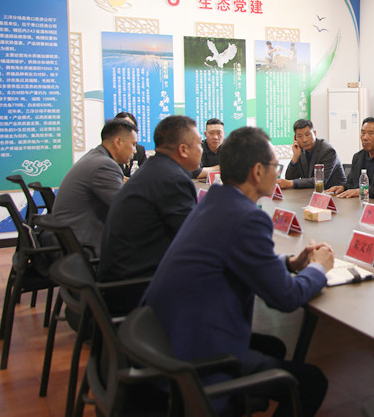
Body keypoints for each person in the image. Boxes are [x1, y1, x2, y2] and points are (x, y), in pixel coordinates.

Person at [141, 126, 334, 416]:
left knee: (272, 347)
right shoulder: (247, 218)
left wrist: (290, 263)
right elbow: (285, 298)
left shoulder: (214, 202)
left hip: (165, 338)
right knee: (311, 382)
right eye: (275, 166)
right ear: (257, 171)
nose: (277, 172)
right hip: (194, 356)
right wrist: (319, 267)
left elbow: (235, 258)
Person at [98, 115, 202, 315]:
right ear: (183, 150)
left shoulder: (155, 169)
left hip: (120, 280)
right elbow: (194, 240)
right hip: (136, 290)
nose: (201, 149)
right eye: (199, 144)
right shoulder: (172, 179)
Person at [51, 119, 137, 255]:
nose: (135, 151)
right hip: (84, 244)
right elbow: (126, 209)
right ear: (118, 142)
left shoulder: (95, 157)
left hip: (69, 238)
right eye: (133, 144)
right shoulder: (104, 165)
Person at [278, 118, 346, 190]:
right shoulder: (300, 150)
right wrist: (295, 157)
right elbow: (289, 178)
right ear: (295, 138)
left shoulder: (328, 151)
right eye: (300, 136)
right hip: (311, 192)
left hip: (334, 193)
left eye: (307, 135)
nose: (304, 140)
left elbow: (320, 181)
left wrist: (292, 183)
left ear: (314, 133)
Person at [114, 111, 147, 177]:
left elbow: (146, 174)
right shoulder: (110, 153)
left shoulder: (139, 150)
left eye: (132, 128)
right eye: (125, 128)